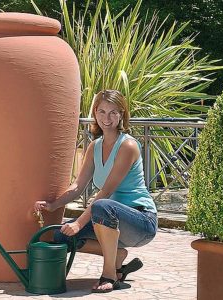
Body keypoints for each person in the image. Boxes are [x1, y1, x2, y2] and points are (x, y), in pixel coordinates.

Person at [34, 90, 157, 293]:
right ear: (95, 113)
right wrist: (53, 205)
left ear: (121, 115)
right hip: (107, 218)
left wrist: (79, 222)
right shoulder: (94, 147)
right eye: (101, 112)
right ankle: (116, 256)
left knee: (101, 206)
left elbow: (106, 191)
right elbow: (78, 186)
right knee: (61, 236)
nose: (106, 118)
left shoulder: (127, 145)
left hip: (141, 221)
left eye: (112, 112)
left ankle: (110, 275)